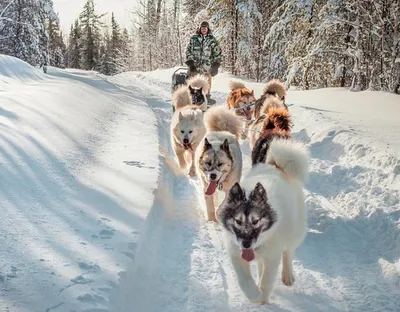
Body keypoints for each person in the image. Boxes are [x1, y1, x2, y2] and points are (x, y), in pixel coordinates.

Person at [185, 20, 222, 98]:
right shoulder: (194, 39)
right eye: (202, 28)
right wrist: (191, 63)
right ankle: (190, 99)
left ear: (208, 29)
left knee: (205, 86)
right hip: (194, 68)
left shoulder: (212, 40)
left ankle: (206, 98)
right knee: (192, 85)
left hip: (207, 68)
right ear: (199, 29)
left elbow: (217, 53)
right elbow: (188, 51)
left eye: (205, 28)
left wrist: (216, 65)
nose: (204, 29)